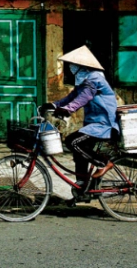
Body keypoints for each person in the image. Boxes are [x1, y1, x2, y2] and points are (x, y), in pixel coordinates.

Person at [40, 45, 120, 187]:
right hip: (93, 124)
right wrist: (53, 105)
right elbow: (71, 97)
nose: (70, 67)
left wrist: (67, 110)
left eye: (73, 65)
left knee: (73, 142)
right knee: (79, 153)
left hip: (104, 124)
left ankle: (104, 163)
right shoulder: (84, 81)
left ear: (81, 65)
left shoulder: (94, 78)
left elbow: (84, 97)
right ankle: (82, 187)